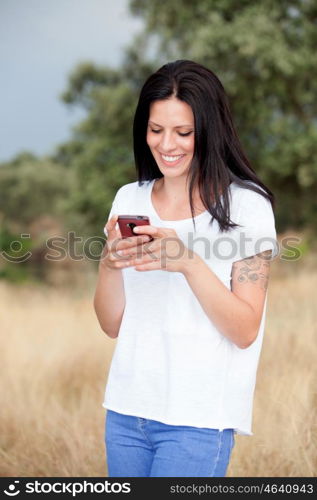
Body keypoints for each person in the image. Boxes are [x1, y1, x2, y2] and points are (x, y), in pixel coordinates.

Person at [94, 59, 278, 477]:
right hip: (125, 413)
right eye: (155, 130)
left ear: (209, 131)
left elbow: (245, 328)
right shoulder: (129, 199)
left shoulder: (247, 206)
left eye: (183, 132)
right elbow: (111, 324)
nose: (166, 145)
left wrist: (188, 262)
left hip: (197, 420)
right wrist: (109, 265)